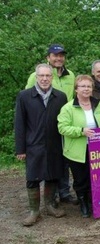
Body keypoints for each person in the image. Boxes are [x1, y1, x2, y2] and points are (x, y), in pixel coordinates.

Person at [57, 75, 100, 218]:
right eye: (83, 86)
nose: (86, 89)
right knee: (81, 179)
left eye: (88, 86)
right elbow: (62, 128)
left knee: (99, 178)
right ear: (76, 89)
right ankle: (84, 203)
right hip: (78, 150)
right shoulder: (68, 108)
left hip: (99, 149)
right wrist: (81, 131)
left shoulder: (98, 105)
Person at [15, 64, 68, 226]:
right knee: (32, 177)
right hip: (33, 144)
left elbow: (65, 122)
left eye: (48, 76)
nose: (44, 79)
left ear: (52, 77)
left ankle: (50, 206)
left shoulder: (60, 96)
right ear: (36, 77)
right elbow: (19, 124)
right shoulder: (24, 96)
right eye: (41, 76)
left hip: (54, 143)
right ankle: (34, 211)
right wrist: (20, 149)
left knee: (52, 174)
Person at [26, 44, 76, 204]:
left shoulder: (71, 76)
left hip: (65, 124)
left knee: (63, 159)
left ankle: (64, 192)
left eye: (61, 55)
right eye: (55, 55)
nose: (58, 58)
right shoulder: (38, 75)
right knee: (45, 160)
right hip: (43, 125)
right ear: (48, 57)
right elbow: (28, 99)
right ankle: (50, 198)